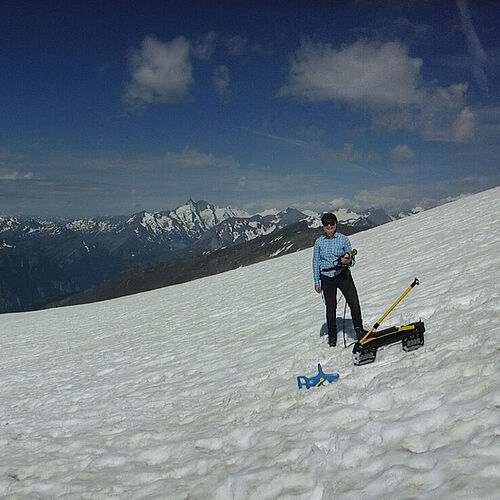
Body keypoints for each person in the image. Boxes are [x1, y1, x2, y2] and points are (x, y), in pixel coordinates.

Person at [312, 213, 365, 347]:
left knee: (354, 303)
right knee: (331, 308)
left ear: (336, 224)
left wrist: (347, 261)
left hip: (342, 275)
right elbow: (316, 261)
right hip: (326, 277)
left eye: (331, 223)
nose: (329, 226)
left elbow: (352, 260)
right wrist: (316, 281)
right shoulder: (318, 242)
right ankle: (332, 337)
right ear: (323, 226)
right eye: (326, 224)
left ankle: (359, 331)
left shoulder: (343, 239)